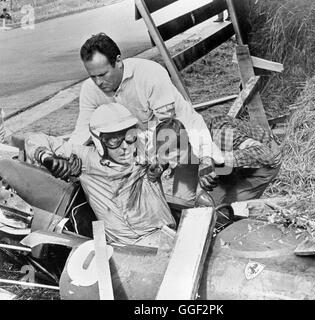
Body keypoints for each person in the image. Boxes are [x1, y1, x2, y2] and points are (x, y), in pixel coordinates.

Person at [69, 32, 224, 202]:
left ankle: (185, 202)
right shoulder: (90, 90)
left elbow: (172, 128)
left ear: (119, 61)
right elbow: (81, 132)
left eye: (103, 74)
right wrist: (68, 157)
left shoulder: (150, 74)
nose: (98, 82)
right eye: (93, 76)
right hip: (141, 144)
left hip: (183, 134)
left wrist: (204, 158)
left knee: (184, 200)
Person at [25, 103, 176, 246]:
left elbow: (176, 132)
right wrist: (47, 158)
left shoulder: (143, 146)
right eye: (114, 141)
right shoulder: (87, 159)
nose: (125, 147)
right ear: (99, 142)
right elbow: (33, 138)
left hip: (166, 233)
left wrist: (164, 160)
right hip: (129, 247)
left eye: (129, 137)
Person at [153, 114, 282, 205]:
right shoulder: (181, 132)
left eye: (177, 158)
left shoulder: (222, 135)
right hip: (224, 161)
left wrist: (216, 164)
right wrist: (160, 167)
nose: (173, 166)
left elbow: (266, 154)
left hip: (261, 164)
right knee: (205, 205)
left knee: (228, 211)